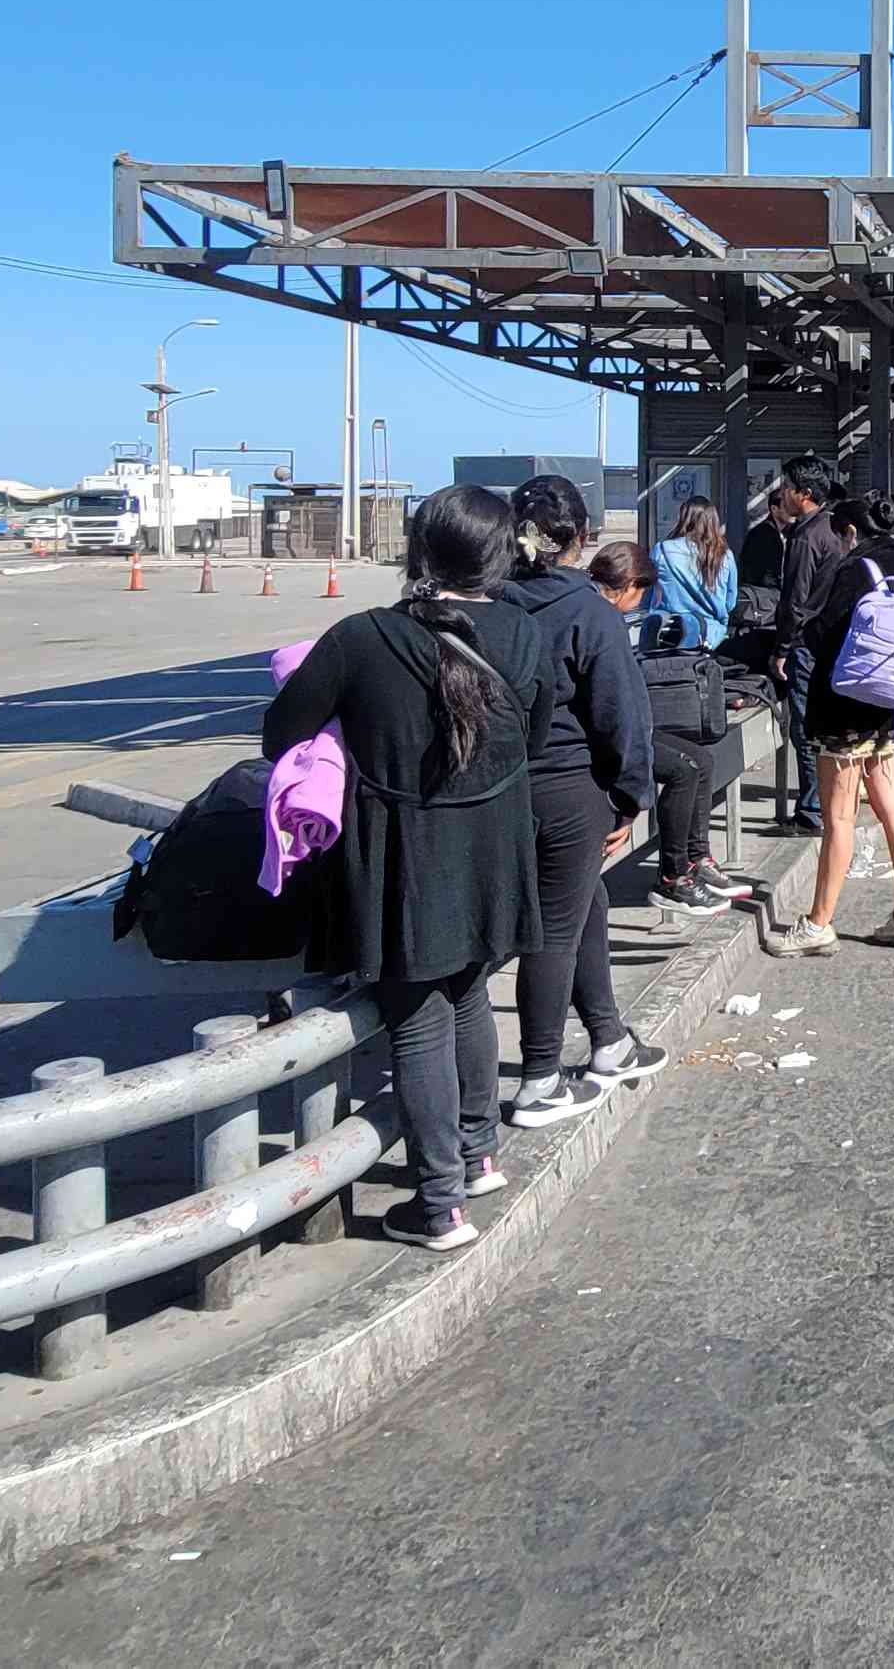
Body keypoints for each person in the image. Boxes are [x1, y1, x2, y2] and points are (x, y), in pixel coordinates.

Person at [258, 485, 552, 1252]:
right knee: (470, 993)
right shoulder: (524, 632)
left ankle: (440, 1204)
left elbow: (280, 734)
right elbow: (537, 734)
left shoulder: (361, 638)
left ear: (419, 552)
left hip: (405, 858)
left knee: (417, 1020)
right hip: (493, 847)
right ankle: (479, 1155)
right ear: (501, 555)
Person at [490, 475, 664, 1130]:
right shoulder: (590, 612)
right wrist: (630, 798)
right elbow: (622, 714)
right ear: (583, 538)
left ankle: (609, 1039)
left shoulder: (492, 601)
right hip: (570, 789)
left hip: (502, 788)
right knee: (553, 933)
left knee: (586, 904)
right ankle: (539, 1079)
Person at [769, 497, 894, 955]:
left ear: (849, 532)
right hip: (889, 711)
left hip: (844, 712)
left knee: (839, 819)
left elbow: (821, 635)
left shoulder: (855, 570)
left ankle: (818, 923)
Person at [592, 539, 745, 921]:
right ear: (630, 585)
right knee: (684, 768)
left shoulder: (603, 614)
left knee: (701, 760)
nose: (639, 605)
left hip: (626, 725)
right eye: (640, 596)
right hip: (608, 735)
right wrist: (633, 797)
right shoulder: (601, 619)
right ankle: (672, 876)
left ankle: (695, 859)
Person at [770, 454, 850, 832]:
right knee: (827, 725)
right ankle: (828, 800)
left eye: (787, 486)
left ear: (803, 494)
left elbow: (795, 601)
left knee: (805, 729)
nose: (781, 493)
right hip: (831, 640)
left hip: (806, 644)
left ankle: (812, 809)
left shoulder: (805, 536)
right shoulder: (832, 528)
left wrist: (781, 648)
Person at [655, 497, 736, 653]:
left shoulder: (662, 550)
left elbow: (650, 595)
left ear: (683, 518)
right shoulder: (725, 555)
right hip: (711, 636)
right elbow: (730, 602)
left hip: (669, 633)